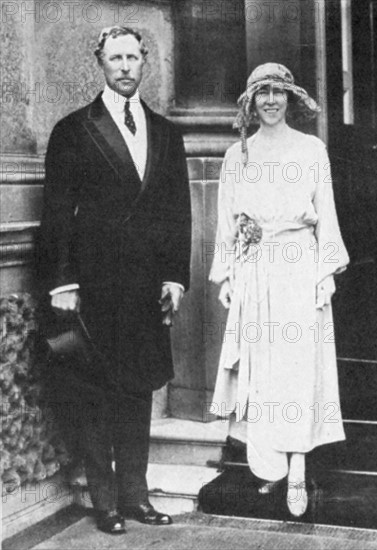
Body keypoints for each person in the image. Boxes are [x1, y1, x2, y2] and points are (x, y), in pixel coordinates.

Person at [38, 26, 191, 534]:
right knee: (97, 394)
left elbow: (177, 213)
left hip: (146, 287)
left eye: (133, 57)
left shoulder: (167, 132)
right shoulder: (74, 129)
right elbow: (56, 214)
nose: (125, 66)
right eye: (115, 57)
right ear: (100, 63)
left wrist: (175, 276)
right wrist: (62, 283)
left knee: (138, 392)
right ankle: (105, 502)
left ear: (146, 62)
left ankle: (136, 497)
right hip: (96, 283)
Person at [209, 63, 349, 518]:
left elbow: (324, 209)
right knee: (262, 369)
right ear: (250, 102)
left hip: (298, 266)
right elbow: (227, 220)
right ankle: (270, 463)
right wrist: (228, 275)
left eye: (278, 93)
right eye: (262, 93)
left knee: (297, 366)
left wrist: (324, 271)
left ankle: (298, 467)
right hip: (254, 269)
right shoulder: (238, 155)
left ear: (291, 99)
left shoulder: (311, 149)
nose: (270, 101)